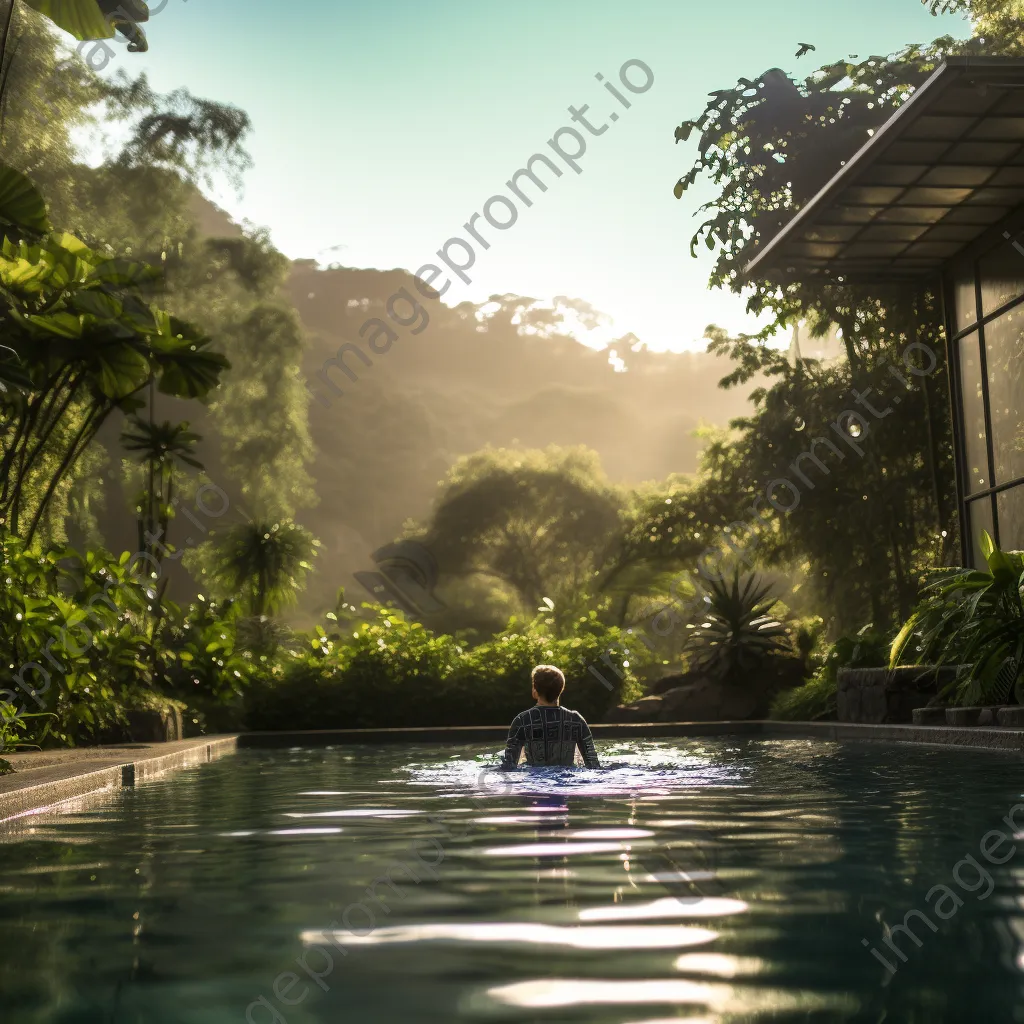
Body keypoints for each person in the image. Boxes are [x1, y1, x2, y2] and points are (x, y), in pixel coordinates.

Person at [498, 664, 601, 770]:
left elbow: (509, 766)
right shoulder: (576, 720)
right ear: (562, 688)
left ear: (535, 690)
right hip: (567, 780)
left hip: (535, 781)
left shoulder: (522, 720)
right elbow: (593, 764)